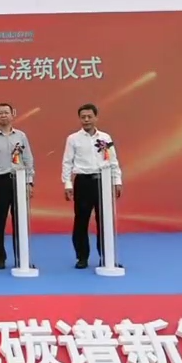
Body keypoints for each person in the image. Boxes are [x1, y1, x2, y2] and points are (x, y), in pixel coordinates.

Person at [61, 103, 123, 269]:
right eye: (83, 117)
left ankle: (107, 257)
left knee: (105, 221)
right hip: (83, 182)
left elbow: (113, 160)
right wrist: (67, 183)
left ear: (96, 117)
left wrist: (117, 181)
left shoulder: (105, 137)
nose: (86, 120)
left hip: (103, 181)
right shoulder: (73, 139)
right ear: (79, 119)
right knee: (81, 221)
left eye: (89, 116)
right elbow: (67, 162)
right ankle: (82, 257)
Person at [0, 103, 36, 269]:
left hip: (19, 179)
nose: (3, 115)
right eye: (0, 113)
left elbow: (28, 159)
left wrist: (29, 182)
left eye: (6, 112)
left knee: (20, 222)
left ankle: (22, 258)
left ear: (12, 115)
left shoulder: (21, 136)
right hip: (0, 181)